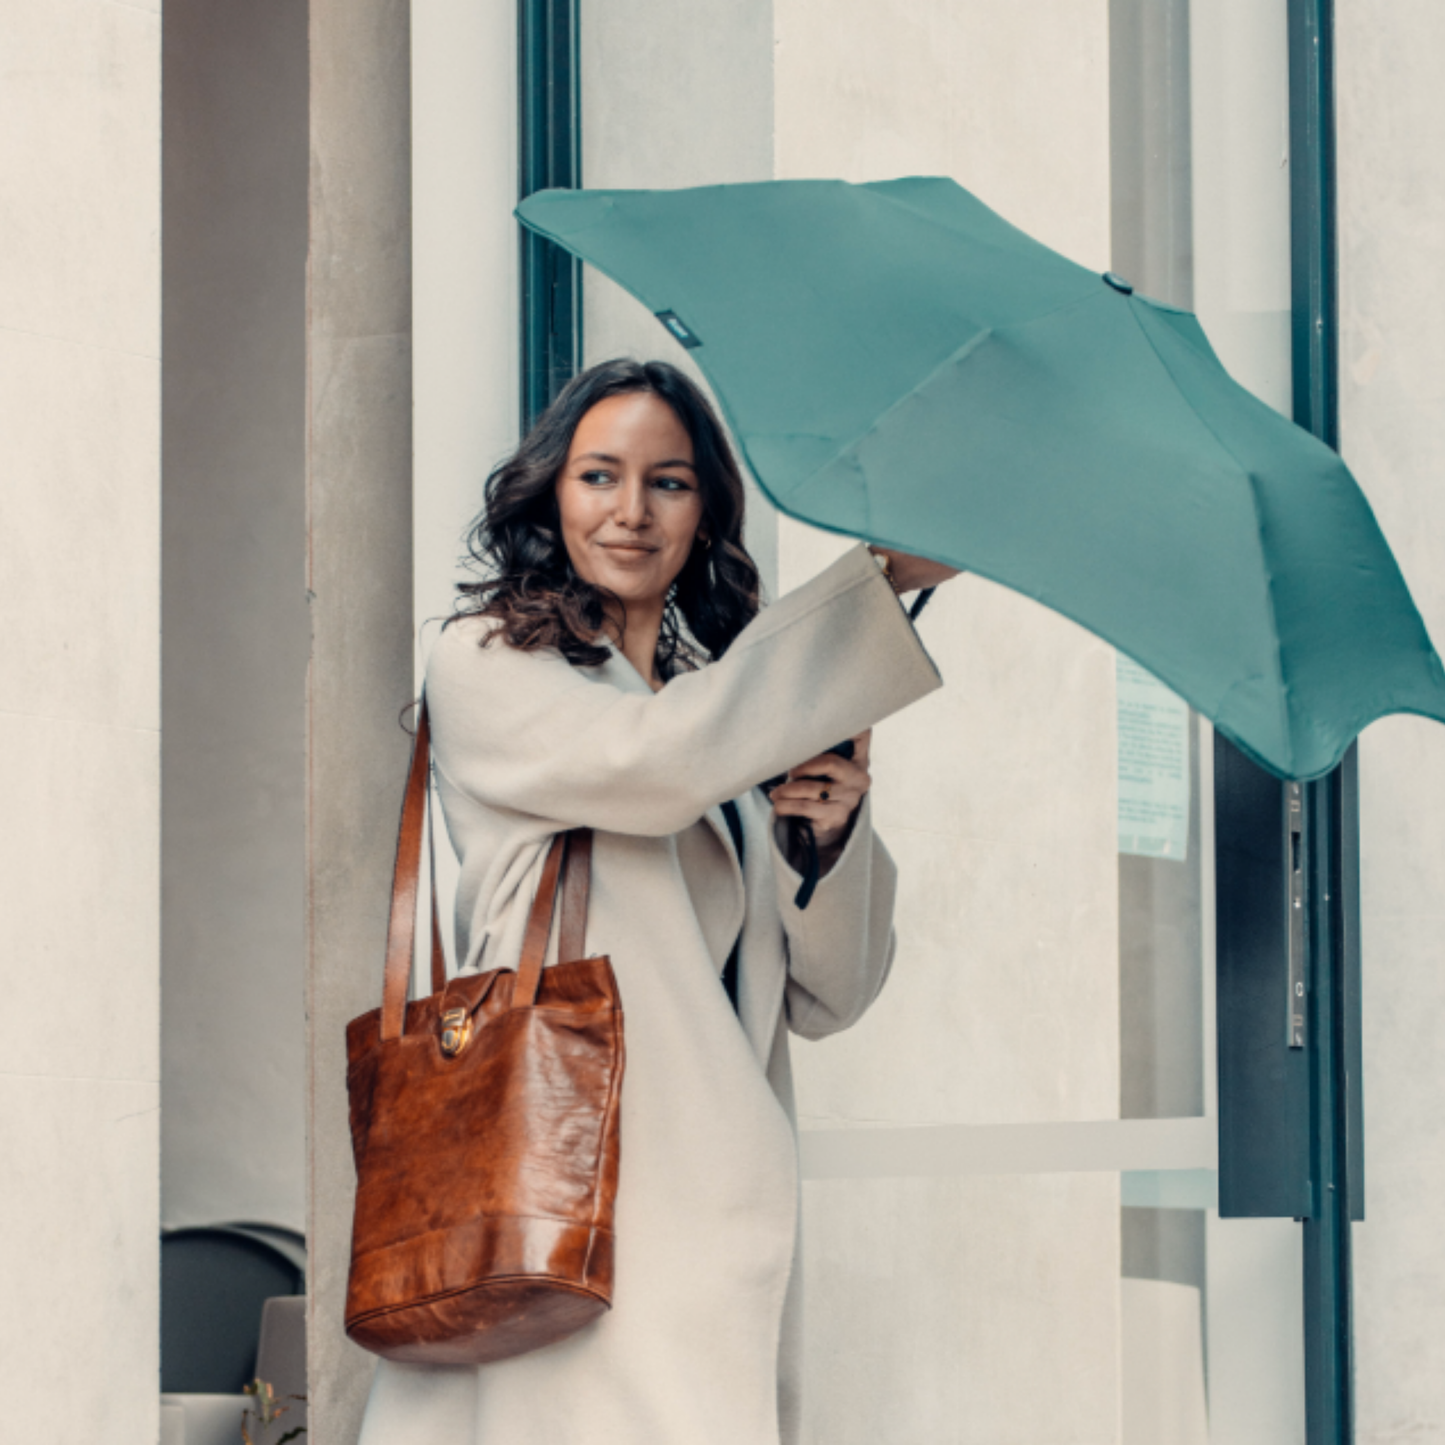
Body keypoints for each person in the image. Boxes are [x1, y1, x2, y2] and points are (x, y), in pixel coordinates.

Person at [357, 358, 957, 1445]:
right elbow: (651, 763)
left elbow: (831, 993)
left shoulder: (713, 710)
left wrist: (821, 841)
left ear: (703, 513)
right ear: (550, 496)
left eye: (668, 483)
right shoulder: (488, 661)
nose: (630, 511)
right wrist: (870, 581)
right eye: (598, 475)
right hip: (566, 1188)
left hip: (711, 1206)